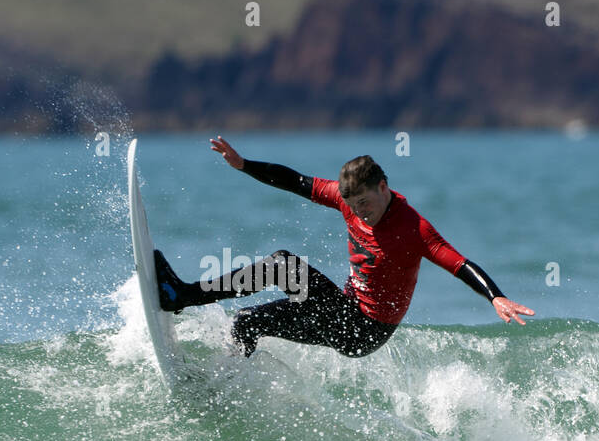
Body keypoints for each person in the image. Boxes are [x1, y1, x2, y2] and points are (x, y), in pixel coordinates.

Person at [154, 136, 534, 358]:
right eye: (352, 208)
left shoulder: (413, 228)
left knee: (283, 265)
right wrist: (243, 164)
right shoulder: (346, 199)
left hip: (364, 330)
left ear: (383, 187)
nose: (360, 214)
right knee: (248, 322)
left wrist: (495, 297)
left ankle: (181, 294)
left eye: (365, 204)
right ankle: (228, 386)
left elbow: (460, 264)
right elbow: (296, 181)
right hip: (343, 311)